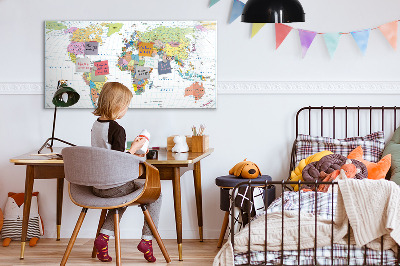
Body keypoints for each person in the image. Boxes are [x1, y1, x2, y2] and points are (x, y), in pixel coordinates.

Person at [91, 82, 161, 263]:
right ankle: (147, 240)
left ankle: (103, 238)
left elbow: (108, 154)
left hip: (97, 186)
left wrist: (131, 149)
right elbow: (119, 160)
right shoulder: (117, 129)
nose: (126, 110)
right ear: (117, 105)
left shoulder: (96, 125)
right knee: (156, 194)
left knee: (121, 197)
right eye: (126, 106)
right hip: (114, 186)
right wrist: (136, 148)